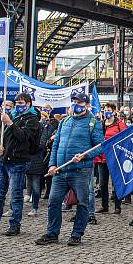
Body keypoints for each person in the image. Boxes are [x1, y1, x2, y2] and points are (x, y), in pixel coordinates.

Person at [36, 92, 103, 246]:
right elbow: (56, 145)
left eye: (79, 103)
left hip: (80, 171)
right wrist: (52, 164)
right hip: (60, 170)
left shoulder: (93, 123)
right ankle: (52, 233)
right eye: (74, 102)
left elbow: (100, 147)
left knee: (82, 203)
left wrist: (84, 156)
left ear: (86, 105)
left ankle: (76, 234)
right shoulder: (64, 122)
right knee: (53, 202)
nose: (76, 105)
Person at [0, 93, 40, 236]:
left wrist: (10, 123)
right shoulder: (7, 115)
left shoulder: (32, 119)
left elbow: (24, 137)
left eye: (21, 102)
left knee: (15, 195)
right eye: (16, 102)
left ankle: (14, 224)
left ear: (28, 104)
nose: (18, 105)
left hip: (18, 161)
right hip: (2, 160)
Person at [94, 103, 126, 215]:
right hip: (101, 159)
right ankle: (104, 206)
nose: (106, 112)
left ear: (113, 111)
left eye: (108, 110)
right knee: (102, 184)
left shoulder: (120, 124)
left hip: (115, 158)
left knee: (116, 183)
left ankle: (118, 206)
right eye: (105, 110)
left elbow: (124, 140)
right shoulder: (101, 124)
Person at [25, 110, 54, 217]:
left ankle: (34, 207)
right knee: (21, 185)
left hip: (37, 160)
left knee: (36, 186)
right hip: (25, 159)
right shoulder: (25, 126)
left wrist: (28, 146)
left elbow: (42, 144)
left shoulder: (43, 128)